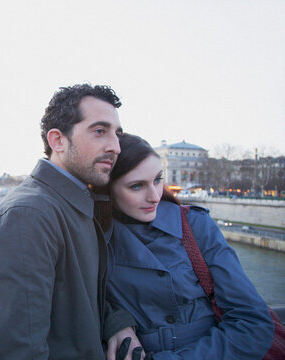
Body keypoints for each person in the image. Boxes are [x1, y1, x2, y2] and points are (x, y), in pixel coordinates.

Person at [0, 84, 144, 359]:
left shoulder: (70, 204)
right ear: (58, 141)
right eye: (100, 131)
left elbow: (77, 298)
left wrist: (116, 322)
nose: (116, 147)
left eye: (117, 134)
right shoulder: (27, 218)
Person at [95, 133, 274, 359]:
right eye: (137, 186)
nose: (155, 196)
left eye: (158, 179)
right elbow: (82, 300)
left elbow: (253, 323)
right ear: (108, 190)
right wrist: (115, 321)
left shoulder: (196, 225)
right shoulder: (93, 236)